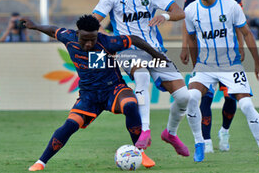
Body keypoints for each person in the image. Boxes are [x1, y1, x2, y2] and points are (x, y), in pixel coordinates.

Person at [25, 15, 168, 171]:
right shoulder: (68, 37)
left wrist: (156, 55)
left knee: (130, 104)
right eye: (85, 39)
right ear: (77, 33)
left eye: (92, 39)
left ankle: (140, 152)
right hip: (89, 96)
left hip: (113, 88)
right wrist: (35, 26)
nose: (89, 43)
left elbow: (133, 39)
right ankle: (41, 162)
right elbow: (53, 30)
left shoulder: (106, 42)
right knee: (70, 125)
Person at [93, 0, 190, 165]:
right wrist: (108, 40)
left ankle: (170, 134)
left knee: (184, 97)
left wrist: (164, 16)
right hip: (129, 51)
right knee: (142, 76)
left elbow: (179, 12)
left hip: (155, 51)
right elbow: (93, 21)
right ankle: (145, 130)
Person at [184, 0, 259, 162]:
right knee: (190, 97)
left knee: (247, 106)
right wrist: (195, 67)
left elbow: (247, 33)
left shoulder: (231, 6)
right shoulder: (191, 10)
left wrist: (258, 64)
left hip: (230, 65)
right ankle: (199, 143)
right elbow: (191, 39)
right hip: (204, 66)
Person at [181, 0, 245, 153]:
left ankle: (225, 131)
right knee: (204, 98)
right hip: (204, 53)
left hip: (229, 55)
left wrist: (241, 47)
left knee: (231, 97)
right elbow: (187, 20)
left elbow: (239, 22)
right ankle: (206, 140)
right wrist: (185, 46)